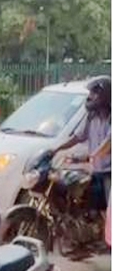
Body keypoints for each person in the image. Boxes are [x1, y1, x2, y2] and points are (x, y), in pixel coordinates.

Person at [52, 76, 111, 212]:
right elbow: (77, 137)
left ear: (104, 95)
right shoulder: (91, 116)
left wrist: (91, 156)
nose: (90, 97)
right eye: (90, 93)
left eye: (94, 93)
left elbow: (108, 143)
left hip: (109, 173)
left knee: (109, 211)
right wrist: (57, 149)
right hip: (96, 171)